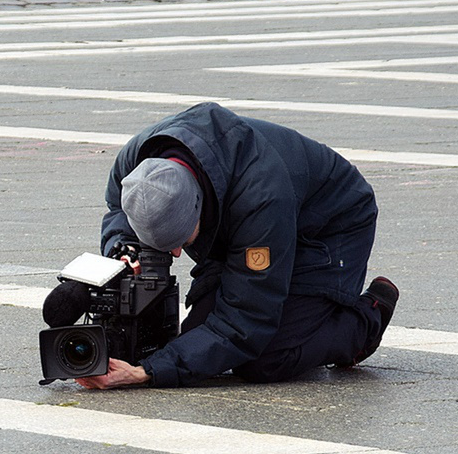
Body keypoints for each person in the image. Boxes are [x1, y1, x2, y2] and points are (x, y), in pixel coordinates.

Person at [80, 102, 397, 389]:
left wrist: (147, 372)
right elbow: (119, 209)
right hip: (246, 224)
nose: (176, 255)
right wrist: (124, 250)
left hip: (329, 229)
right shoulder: (138, 162)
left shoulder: (261, 198)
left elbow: (245, 324)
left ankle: (365, 321)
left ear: (198, 206)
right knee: (196, 341)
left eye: (180, 242)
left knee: (265, 359)